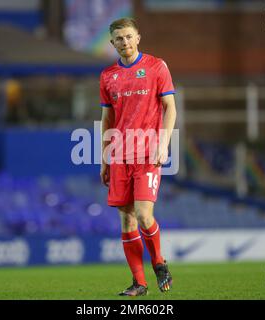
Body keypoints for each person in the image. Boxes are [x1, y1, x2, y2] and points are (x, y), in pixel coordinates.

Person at [99, 17, 177, 296]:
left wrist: (163, 143)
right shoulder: (108, 75)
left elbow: (170, 108)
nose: (125, 42)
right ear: (112, 43)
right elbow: (107, 118)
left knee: (144, 215)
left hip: (147, 152)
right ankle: (139, 283)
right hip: (120, 155)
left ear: (138, 38)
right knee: (127, 220)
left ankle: (159, 262)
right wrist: (105, 158)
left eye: (129, 37)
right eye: (119, 38)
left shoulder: (157, 66)